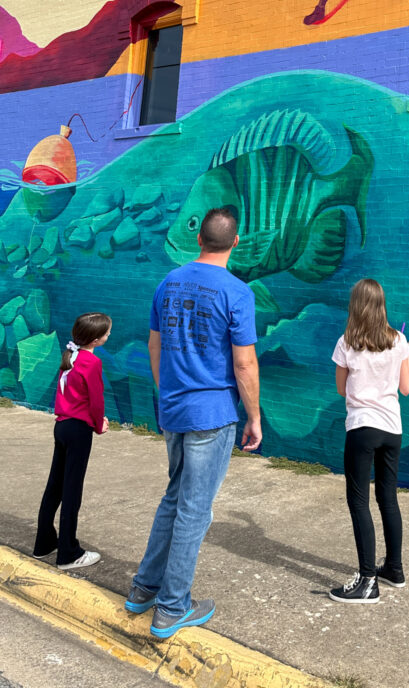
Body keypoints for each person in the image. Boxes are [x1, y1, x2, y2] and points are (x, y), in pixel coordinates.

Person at [125, 207, 261, 639]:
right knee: (194, 510)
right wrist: (254, 416)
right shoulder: (237, 293)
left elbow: (154, 345)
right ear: (235, 242)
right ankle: (171, 606)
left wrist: (168, 392)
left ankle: (144, 586)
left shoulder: (168, 282)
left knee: (174, 497)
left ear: (199, 239)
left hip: (174, 410)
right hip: (211, 415)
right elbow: (244, 364)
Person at [329, 278, 409, 604]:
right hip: (392, 429)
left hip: (362, 427)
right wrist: (404, 356)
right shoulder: (399, 341)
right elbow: (406, 388)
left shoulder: (346, 343)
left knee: (359, 501)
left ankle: (367, 581)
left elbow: (341, 389)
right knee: (387, 498)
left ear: (356, 305)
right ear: (381, 305)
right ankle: (394, 568)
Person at [33, 312, 111, 570]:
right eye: (107, 333)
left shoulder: (70, 357)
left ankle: (43, 543)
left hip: (62, 426)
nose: (109, 335)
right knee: (72, 491)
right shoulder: (92, 362)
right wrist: (99, 424)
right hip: (78, 430)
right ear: (96, 339)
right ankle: (68, 552)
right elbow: (96, 400)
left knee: (54, 485)